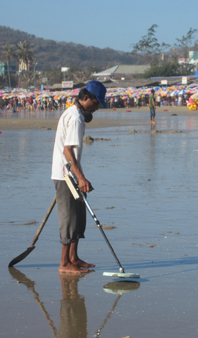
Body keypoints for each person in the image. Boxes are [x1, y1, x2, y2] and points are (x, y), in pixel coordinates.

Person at [51, 81, 106, 273]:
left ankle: (73, 257)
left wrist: (80, 177)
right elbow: (67, 151)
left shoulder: (77, 115)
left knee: (79, 215)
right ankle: (64, 263)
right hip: (66, 174)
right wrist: (80, 178)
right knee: (69, 218)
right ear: (85, 98)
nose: (98, 107)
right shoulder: (74, 118)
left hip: (72, 173)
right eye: (96, 102)